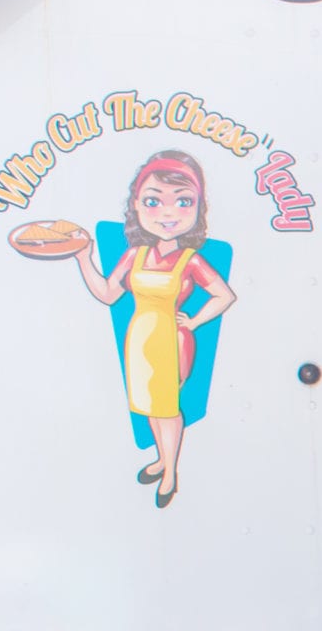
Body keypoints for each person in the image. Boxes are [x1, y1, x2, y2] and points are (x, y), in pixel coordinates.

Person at [68, 151, 237, 507]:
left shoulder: (190, 260)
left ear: (198, 208)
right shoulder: (136, 255)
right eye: (153, 201)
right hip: (140, 337)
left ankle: (170, 473)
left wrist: (194, 321)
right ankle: (161, 458)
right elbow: (108, 293)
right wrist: (84, 258)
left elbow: (224, 295)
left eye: (183, 202)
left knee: (167, 407)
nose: (168, 213)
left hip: (171, 341)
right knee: (148, 405)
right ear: (136, 206)